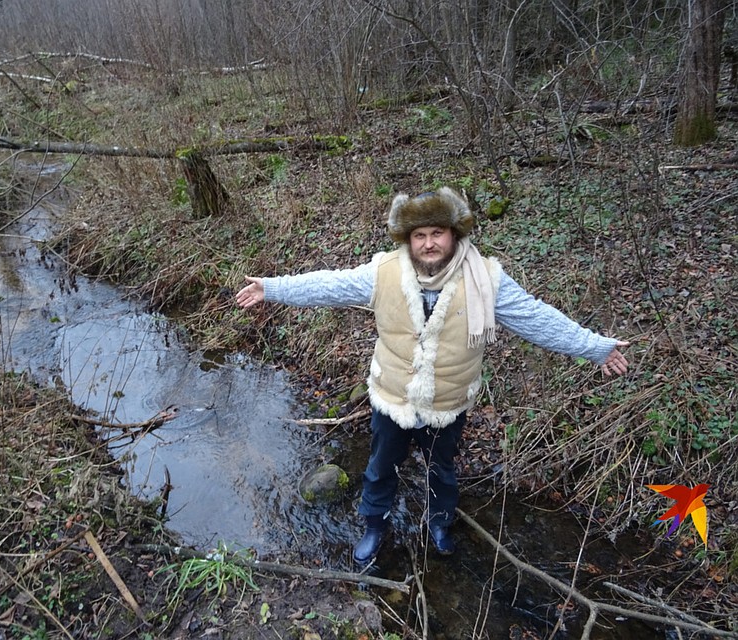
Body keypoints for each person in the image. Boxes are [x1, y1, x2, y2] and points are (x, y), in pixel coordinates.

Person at [236, 187, 629, 564]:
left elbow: (536, 318)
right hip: (392, 397)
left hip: (447, 402)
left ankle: (440, 523)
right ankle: (375, 525)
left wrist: (593, 347)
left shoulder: (486, 279)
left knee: (441, 469)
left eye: (437, 233)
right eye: (419, 235)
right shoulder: (384, 272)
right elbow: (329, 284)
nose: (428, 243)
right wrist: (272, 288)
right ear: (407, 239)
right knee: (379, 467)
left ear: (453, 234)